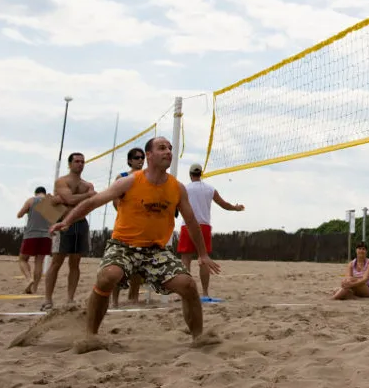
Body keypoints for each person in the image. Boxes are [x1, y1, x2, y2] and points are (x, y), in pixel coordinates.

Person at [48, 137, 220, 352]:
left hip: (156, 250)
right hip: (124, 245)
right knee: (107, 276)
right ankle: (90, 337)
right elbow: (93, 202)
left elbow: (192, 222)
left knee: (188, 285)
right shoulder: (129, 181)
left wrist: (203, 255)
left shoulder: (177, 188)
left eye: (170, 148)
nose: (168, 151)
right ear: (149, 155)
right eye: (162, 148)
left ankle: (199, 337)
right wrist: (66, 221)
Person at [178, 163, 244, 300]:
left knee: (185, 260)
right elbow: (223, 204)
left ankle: (186, 294)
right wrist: (235, 208)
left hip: (188, 225)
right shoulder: (209, 189)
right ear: (201, 174)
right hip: (204, 226)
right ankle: (205, 293)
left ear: (190, 175)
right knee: (203, 259)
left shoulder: (184, 188)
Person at [43, 152, 96, 311]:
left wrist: (64, 200)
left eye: (82, 161)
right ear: (70, 164)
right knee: (56, 262)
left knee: (75, 263)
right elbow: (73, 200)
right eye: (77, 161)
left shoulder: (87, 184)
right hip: (63, 224)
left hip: (80, 223)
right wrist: (85, 196)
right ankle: (48, 299)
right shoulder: (62, 181)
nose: (80, 164)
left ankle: (70, 298)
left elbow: (90, 204)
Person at [111, 147, 145, 307]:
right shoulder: (123, 177)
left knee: (138, 266)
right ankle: (115, 300)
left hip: (142, 228)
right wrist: (126, 215)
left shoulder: (147, 177)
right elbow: (115, 200)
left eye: (142, 157)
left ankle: (134, 297)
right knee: (119, 264)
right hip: (124, 227)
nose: (140, 160)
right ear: (130, 160)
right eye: (137, 158)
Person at [16, 186, 52, 294]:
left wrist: (28, 211)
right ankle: (35, 288)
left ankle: (29, 278)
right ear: (45, 193)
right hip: (46, 235)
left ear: (36, 193)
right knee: (39, 262)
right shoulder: (50, 203)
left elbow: (19, 215)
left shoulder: (31, 200)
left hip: (32, 234)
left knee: (22, 259)